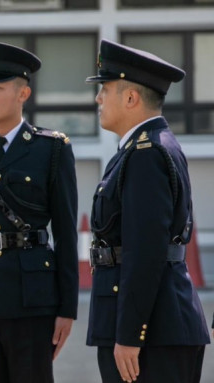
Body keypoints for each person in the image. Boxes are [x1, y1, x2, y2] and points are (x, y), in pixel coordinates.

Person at [85, 39, 210, 383]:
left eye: (105, 89)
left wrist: (130, 334)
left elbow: (145, 250)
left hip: (152, 334)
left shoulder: (146, 153)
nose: (98, 99)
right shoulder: (144, 148)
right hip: (153, 328)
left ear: (130, 98)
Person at [0, 41, 79, 383]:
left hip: (32, 297)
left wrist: (67, 309)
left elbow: (66, 230)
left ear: (23, 93)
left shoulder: (50, 149)